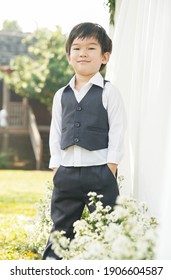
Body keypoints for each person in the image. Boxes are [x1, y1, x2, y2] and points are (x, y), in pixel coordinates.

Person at [42, 22, 126, 259]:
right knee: (60, 230)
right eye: (77, 48)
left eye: (91, 48)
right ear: (69, 56)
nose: (83, 53)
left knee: (108, 229)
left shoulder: (109, 92)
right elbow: (56, 131)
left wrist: (111, 166)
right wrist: (57, 166)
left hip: (100, 172)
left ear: (105, 57)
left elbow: (118, 130)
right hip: (66, 173)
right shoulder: (61, 94)